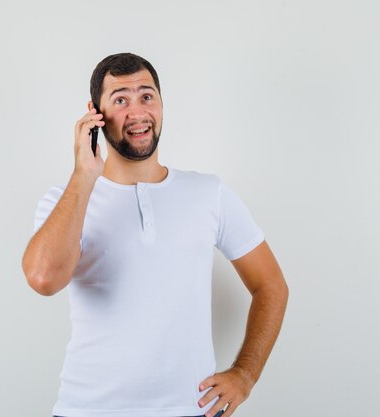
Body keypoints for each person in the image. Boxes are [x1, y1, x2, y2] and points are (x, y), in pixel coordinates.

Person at [21, 52, 289, 417]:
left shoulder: (208, 192)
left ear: (161, 104)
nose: (137, 112)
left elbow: (271, 285)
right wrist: (84, 175)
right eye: (120, 100)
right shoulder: (65, 199)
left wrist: (246, 374)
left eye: (146, 96)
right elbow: (43, 279)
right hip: (87, 410)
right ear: (94, 114)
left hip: (191, 410)